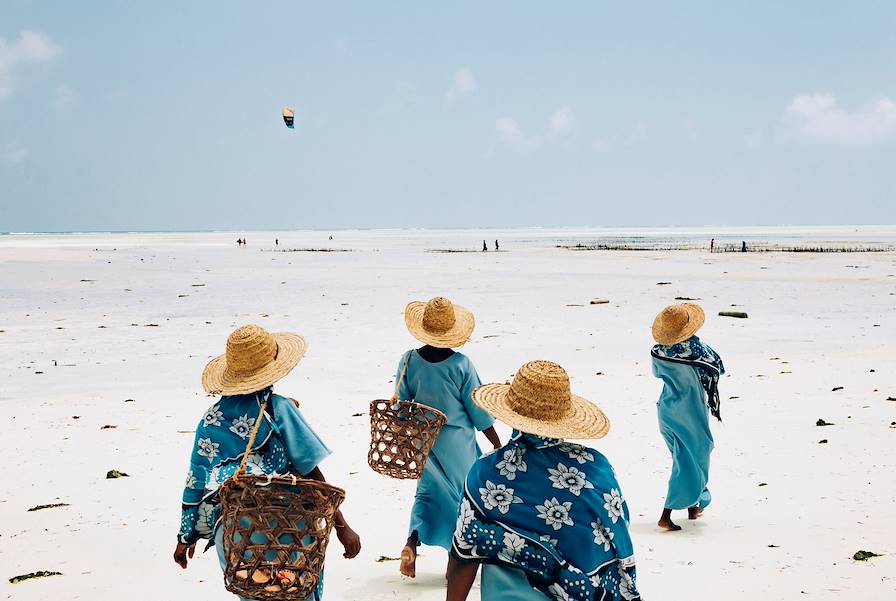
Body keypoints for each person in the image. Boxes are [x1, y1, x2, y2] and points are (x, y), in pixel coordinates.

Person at [173, 325, 361, 600]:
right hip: (286, 526)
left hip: (236, 533)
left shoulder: (209, 420)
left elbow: (195, 482)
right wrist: (343, 527)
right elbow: (312, 474)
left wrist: (185, 537)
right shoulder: (279, 408)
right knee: (297, 593)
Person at [448, 360, 640, 601]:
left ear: (510, 413)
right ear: (565, 417)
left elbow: (463, 556)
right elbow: (617, 529)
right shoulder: (596, 467)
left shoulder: (486, 473)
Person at [395, 296, 501, 578]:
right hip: (458, 444)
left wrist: (406, 441)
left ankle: (411, 543)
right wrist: (495, 441)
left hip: (424, 441)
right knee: (463, 499)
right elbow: (476, 408)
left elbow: (401, 406)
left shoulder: (409, 360)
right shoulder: (461, 365)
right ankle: (456, 561)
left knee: (426, 495)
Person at [650, 304, 725, 531]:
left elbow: (657, 374)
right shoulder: (696, 348)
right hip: (689, 409)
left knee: (683, 457)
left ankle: (694, 504)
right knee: (695, 456)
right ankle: (667, 513)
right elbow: (717, 367)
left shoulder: (658, 350)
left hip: (666, 407)